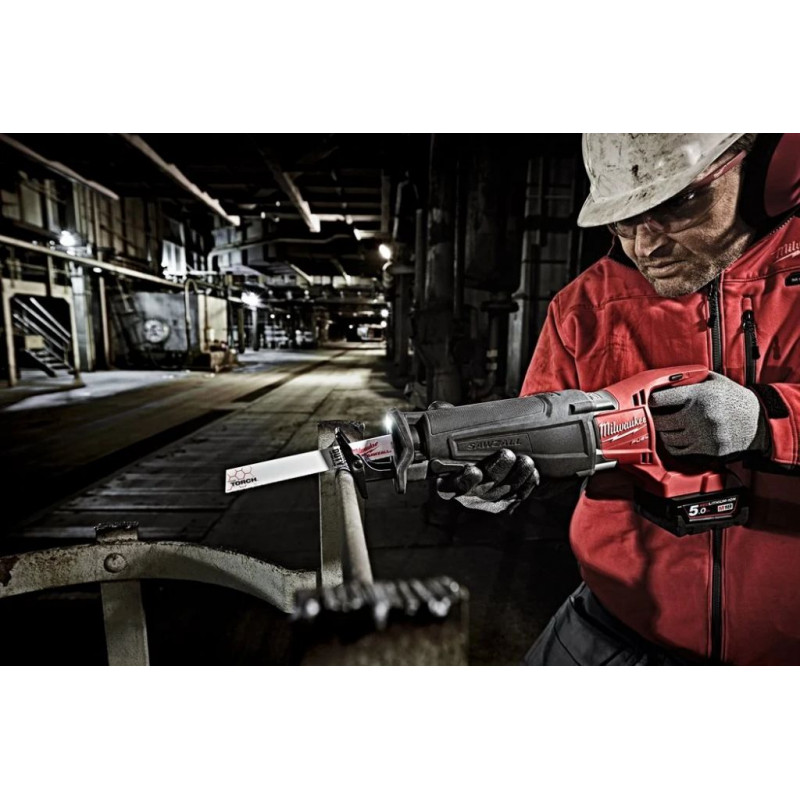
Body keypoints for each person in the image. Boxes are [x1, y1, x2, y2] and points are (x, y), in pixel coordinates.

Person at [438, 133, 800, 665]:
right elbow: (544, 452)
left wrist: (767, 422)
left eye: (678, 203)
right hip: (615, 618)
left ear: (771, 170)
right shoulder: (583, 308)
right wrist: (510, 479)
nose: (645, 246)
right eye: (624, 220)